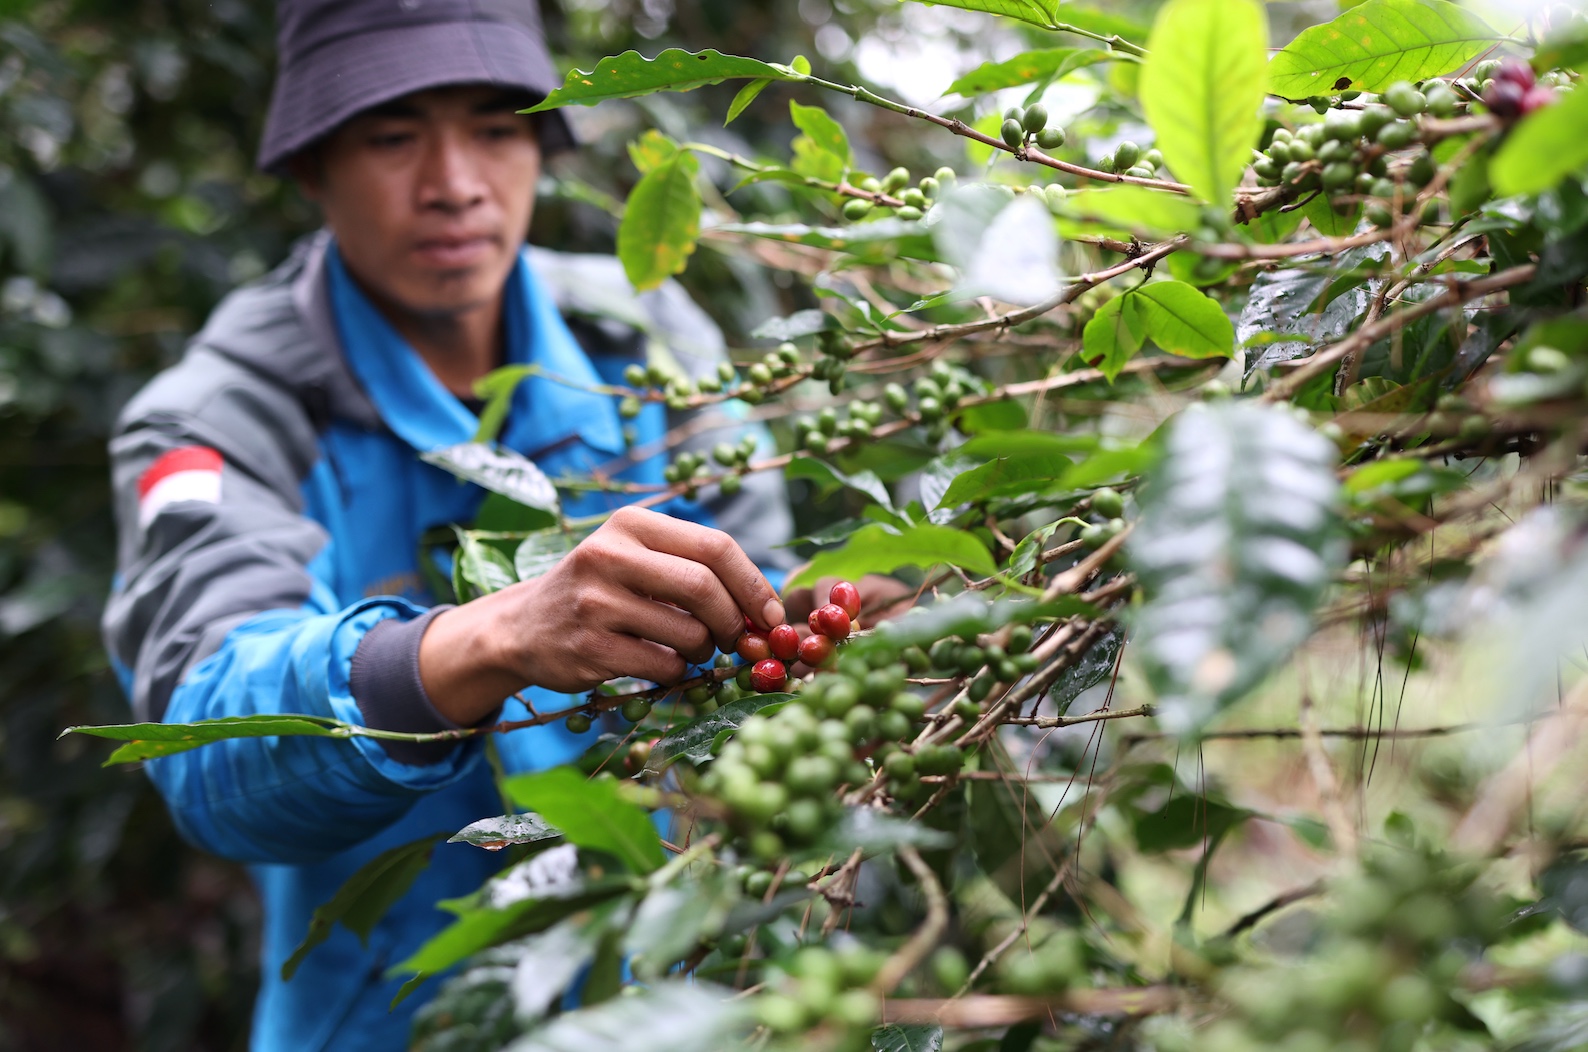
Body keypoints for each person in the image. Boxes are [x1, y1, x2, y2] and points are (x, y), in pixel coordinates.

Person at [100, 1, 817, 1047]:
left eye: (495, 126)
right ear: (311, 166)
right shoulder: (223, 415)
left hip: (676, 999)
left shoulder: (643, 340)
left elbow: (766, 588)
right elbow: (209, 741)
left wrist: (841, 610)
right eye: (393, 136)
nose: (455, 183)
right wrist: (480, 639)